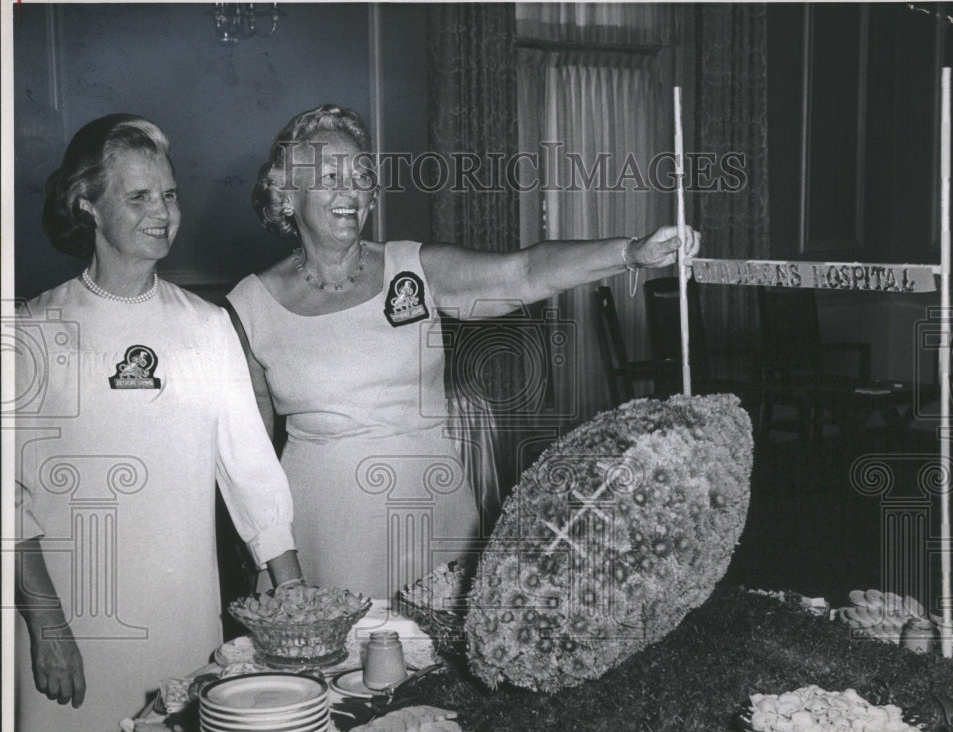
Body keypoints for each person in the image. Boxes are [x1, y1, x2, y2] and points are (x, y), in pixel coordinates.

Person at [227, 104, 699, 602]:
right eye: (329, 176)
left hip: (435, 516)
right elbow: (250, 461)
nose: (351, 190)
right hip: (323, 532)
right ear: (286, 197)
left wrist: (630, 252)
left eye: (362, 174)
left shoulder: (413, 269)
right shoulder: (249, 305)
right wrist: (283, 571)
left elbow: (523, 272)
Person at [12, 114, 303, 732]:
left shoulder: (205, 326)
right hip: (69, 629)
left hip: (182, 624)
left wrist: (292, 589)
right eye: (139, 196)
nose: (163, 212)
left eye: (169, 194)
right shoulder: (31, 329)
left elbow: (251, 469)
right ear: (86, 204)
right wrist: (47, 625)